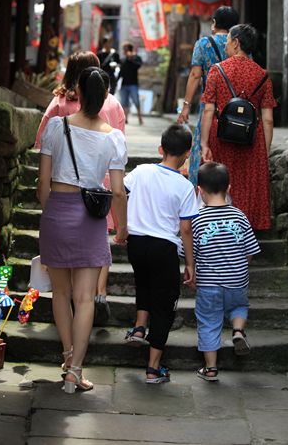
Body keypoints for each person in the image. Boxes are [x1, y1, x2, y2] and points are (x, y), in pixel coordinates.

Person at [37, 67, 128, 393]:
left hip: (56, 213)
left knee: (60, 294)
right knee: (85, 298)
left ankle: (67, 356)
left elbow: (42, 184)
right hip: (90, 218)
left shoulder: (56, 127)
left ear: (77, 90)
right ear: (105, 96)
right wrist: (122, 228)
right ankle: (76, 370)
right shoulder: (113, 137)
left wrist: (52, 213)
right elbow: (117, 192)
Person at [115, 124, 198, 384]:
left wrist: (122, 228)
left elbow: (119, 193)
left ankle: (139, 328)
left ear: (161, 149)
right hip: (164, 248)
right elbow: (186, 229)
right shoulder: (185, 186)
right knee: (164, 306)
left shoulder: (141, 172)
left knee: (144, 283)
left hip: (137, 244)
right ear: (188, 153)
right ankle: (153, 368)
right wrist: (190, 263)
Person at [200, 24, 276, 231]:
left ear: (236, 43)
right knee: (247, 184)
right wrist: (265, 149)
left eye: (227, 41)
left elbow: (208, 110)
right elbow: (268, 119)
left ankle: (218, 230)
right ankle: (245, 232)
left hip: (221, 135)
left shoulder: (217, 70)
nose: (225, 45)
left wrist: (204, 143)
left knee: (221, 180)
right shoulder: (262, 75)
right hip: (252, 138)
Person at [192, 162, 260, 382]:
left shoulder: (197, 219)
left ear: (200, 190)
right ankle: (238, 331)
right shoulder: (239, 216)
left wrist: (193, 269)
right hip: (237, 280)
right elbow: (250, 250)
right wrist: (241, 266)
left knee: (208, 321)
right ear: (229, 188)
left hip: (208, 284)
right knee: (239, 306)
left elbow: (187, 252)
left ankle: (211, 369)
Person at [178, 6, 239, 187]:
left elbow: (195, 75)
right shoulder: (241, 44)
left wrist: (186, 105)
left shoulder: (203, 44)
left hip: (210, 104)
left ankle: (199, 190)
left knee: (203, 145)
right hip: (235, 105)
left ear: (214, 23)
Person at [118, 42, 144, 125]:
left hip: (133, 84)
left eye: (125, 49)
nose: (124, 51)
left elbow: (138, 66)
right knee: (124, 102)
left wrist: (131, 58)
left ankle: (140, 118)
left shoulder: (136, 58)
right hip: (124, 84)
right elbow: (121, 72)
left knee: (136, 101)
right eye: (124, 49)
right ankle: (125, 119)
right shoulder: (123, 60)